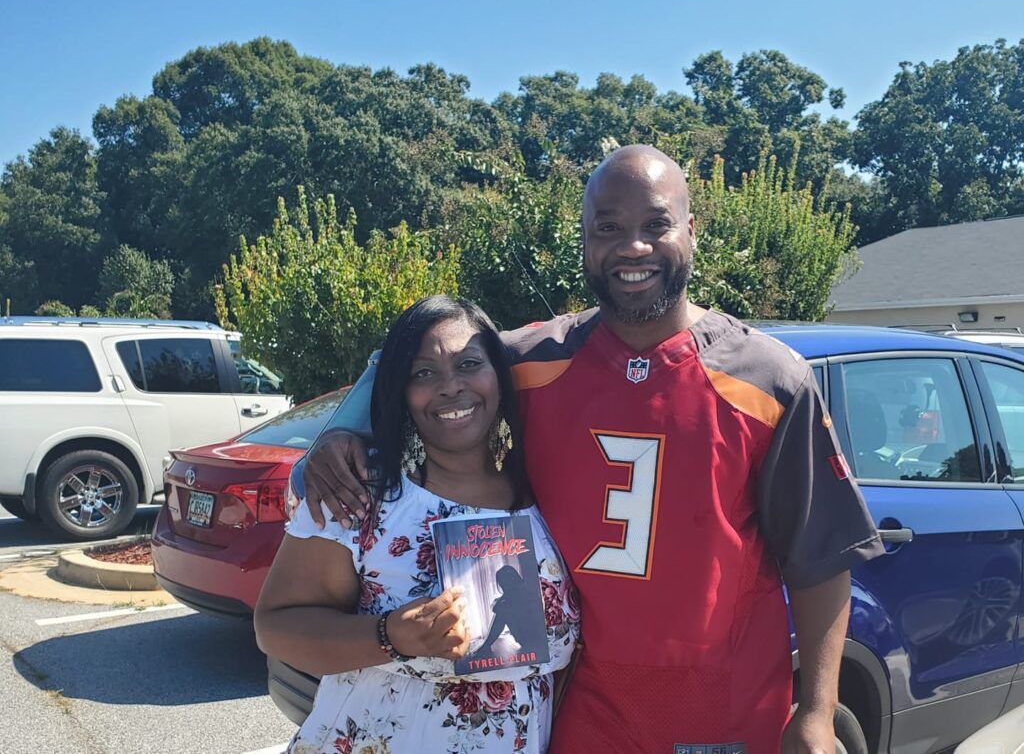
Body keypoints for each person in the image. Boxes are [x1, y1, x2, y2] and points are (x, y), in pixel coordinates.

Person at [302, 146, 884, 753]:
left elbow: (820, 559)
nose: (632, 247)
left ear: (690, 230)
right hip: (584, 704)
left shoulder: (768, 379)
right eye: (608, 227)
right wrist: (341, 430)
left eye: (655, 224)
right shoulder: (532, 361)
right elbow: (424, 366)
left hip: (724, 705)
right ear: (584, 240)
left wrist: (817, 712)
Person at [254, 296, 581, 754]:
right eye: (423, 373)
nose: (450, 387)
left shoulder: (552, 500)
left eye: (469, 364)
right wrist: (390, 635)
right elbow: (275, 627)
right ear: (399, 392)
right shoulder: (357, 496)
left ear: (500, 378)